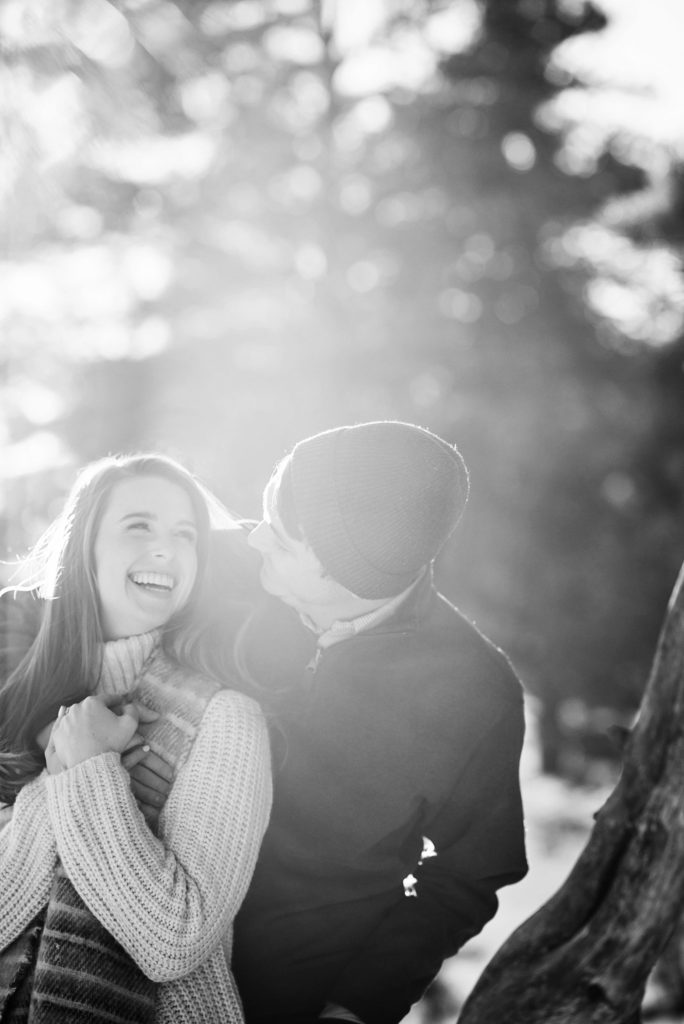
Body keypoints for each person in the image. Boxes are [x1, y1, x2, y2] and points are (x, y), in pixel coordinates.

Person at [225, 420, 528, 1024]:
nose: (255, 539)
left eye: (283, 541)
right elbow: (59, 593)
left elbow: (465, 877)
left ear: (350, 577)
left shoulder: (476, 693)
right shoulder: (215, 571)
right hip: (131, 962)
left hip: (288, 998)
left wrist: (359, 1006)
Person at [0, 453, 272, 1024]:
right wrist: (67, 773)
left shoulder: (226, 720)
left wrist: (87, 769)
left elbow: (174, 939)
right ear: (84, 549)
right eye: (139, 526)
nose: (167, 549)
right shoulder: (14, 698)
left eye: (185, 534)